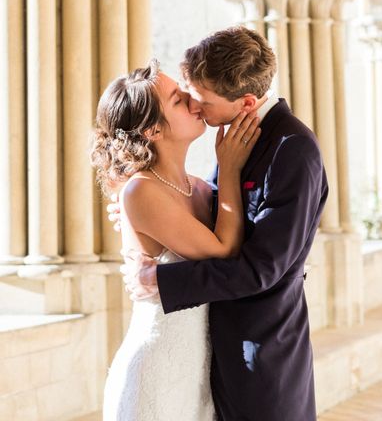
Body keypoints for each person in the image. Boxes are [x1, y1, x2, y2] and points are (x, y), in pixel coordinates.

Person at [113, 26, 328, 421]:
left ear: (246, 101)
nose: (195, 107)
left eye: (199, 100)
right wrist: (142, 214)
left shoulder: (291, 149)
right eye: (184, 97)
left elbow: (261, 267)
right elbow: (214, 222)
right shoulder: (234, 138)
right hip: (197, 354)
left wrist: (160, 280)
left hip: (261, 351)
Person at [91, 58, 261, 420]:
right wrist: (230, 167)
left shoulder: (198, 187)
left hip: (199, 372)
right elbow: (224, 249)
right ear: (152, 129)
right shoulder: (140, 191)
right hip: (156, 370)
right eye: (179, 100)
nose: (193, 101)